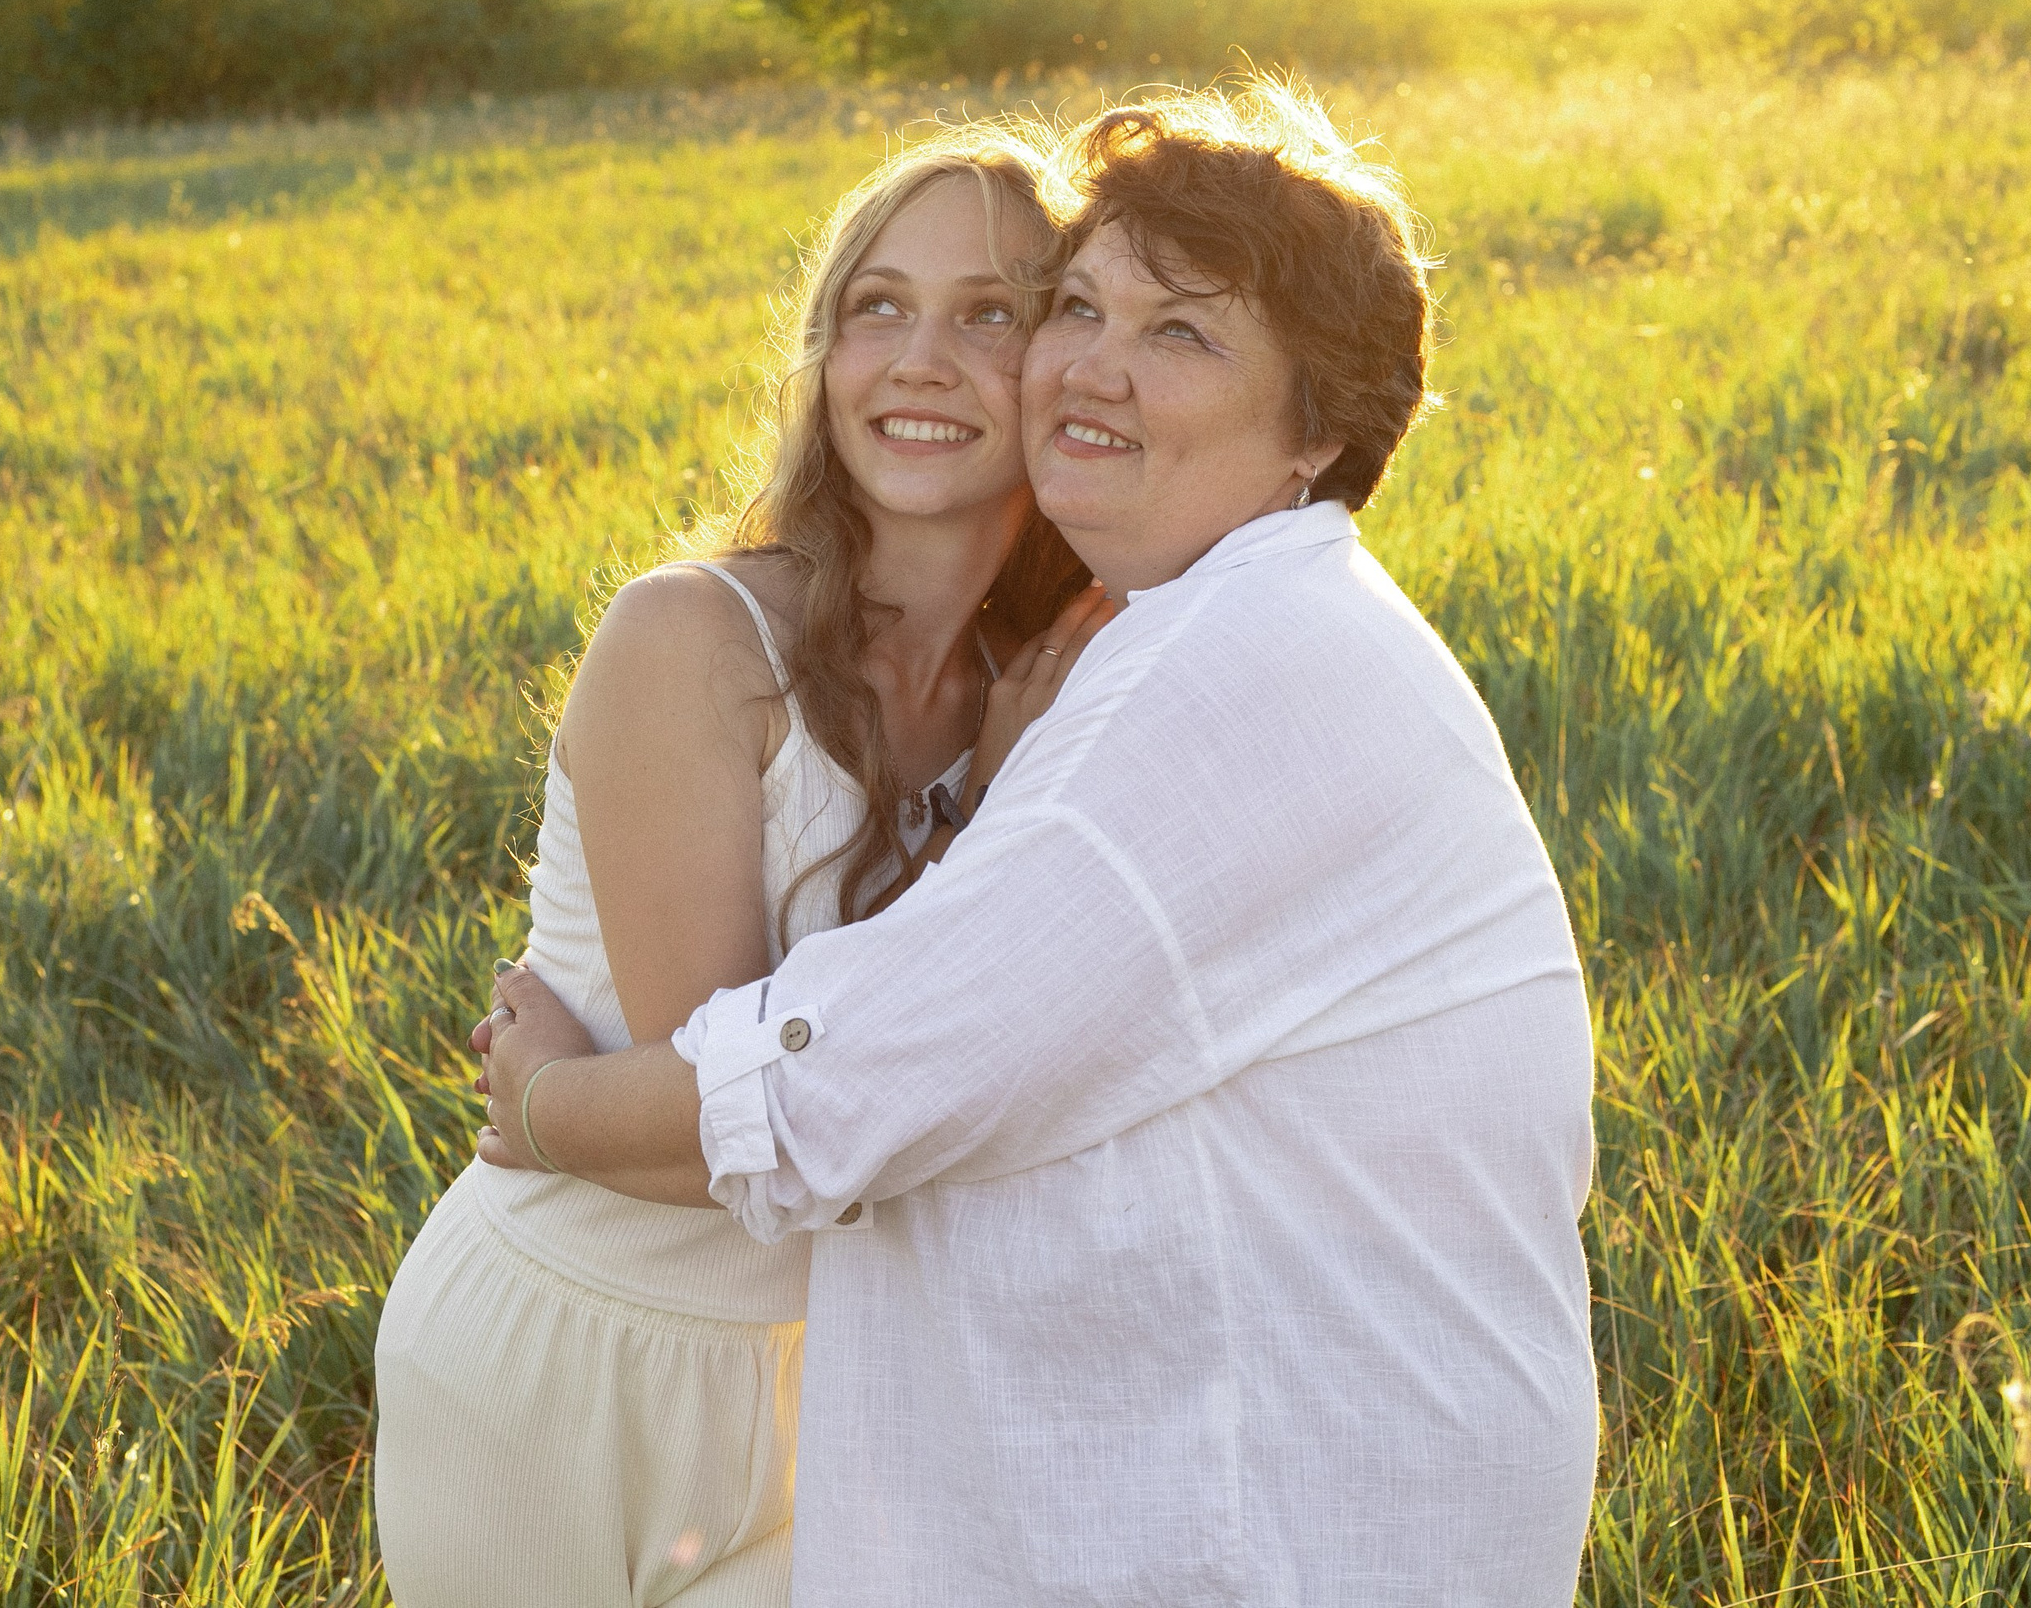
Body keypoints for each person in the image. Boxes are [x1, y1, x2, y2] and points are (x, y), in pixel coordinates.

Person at [477, 82, 1600, 1606]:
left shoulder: (1228, 673)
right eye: (1079, 306)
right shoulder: (1175, 634)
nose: (1093, 367)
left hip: (1272, 1530)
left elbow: (838, 1085)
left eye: (1180, 333)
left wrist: (542, 1104)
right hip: (624, 1385)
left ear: (1317, 430)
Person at [373, 127, 1105, 1607]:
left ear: (1070, 368)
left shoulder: (1042, 698)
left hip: (826, 1383)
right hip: (556, 1352)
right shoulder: (692, 638)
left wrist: (988, 799)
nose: (917, 358)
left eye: (991, 313)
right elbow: (742, 1117)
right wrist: (578, 1112)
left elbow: (923, 1091)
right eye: (875, 307)